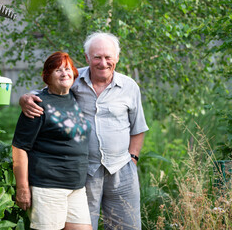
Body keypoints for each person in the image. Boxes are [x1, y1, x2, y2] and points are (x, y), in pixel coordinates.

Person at [19, 32, 149, 230]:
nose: (103, 63)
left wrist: (133, 158)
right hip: (86, 171)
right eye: (97, 57)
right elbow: (47, 92)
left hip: (122, 169)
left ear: (117, 58)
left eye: (108, 57)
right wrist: (26, 97)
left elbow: (138, 128)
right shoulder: (73, 79)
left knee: (127, 226)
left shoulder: (129, 87)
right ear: (87, 58)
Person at [12, 51, 93, 230]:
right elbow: (19, 147)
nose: (64, 73)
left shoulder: (75, 97)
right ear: (47, 77)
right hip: (47, 186)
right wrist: (22, 188)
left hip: (76, 187)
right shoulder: (37, 104)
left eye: (67, 69)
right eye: (57, 70)